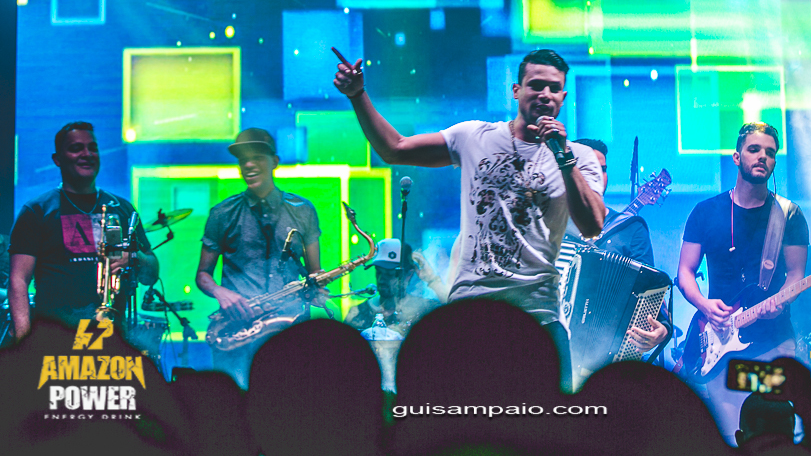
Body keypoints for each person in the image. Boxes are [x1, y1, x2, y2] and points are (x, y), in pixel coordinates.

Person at [333, 48, 605, 387]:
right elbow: (395, 148)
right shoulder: (475, 136)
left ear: (563, 96)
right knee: (461, 413)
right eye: (536, 85)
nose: (545, 94)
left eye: (554, 88)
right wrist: (357, 95)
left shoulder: (579, 157)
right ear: (516, 90)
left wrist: (563, 156)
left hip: (538, 316)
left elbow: (592, 225)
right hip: (472, 314)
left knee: (546, 416)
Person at [676, 122, 809, 445]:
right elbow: (685, 272)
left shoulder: (789, 215)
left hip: (773, 341)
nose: (763, 156)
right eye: (754, 149)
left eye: (770, 153)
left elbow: (796, 274)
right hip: (720, 339)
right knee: (730, 434)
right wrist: (704, 305)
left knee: (773, 432)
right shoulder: (705, 212)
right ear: (737, 157)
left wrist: (781, 302)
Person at [6, 122, 159, 340]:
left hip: (112, 340)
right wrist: (24, 341)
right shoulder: (37, 211)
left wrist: (135, 257)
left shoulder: (122, 209)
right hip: (55, 339)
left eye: (92, 148)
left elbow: (151, 275)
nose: (87, 154)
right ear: (57, 159)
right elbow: (18, 280)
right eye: (76, 148)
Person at [196, 128, 324, 387]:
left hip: (290, 332)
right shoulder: (222, 213)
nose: (249, 165)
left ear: (275, 161)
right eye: (243, 159)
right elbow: (202, 275)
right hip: (239, 330)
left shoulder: (303, 210)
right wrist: (221, 292)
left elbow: (315, 273)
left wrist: (317, 289)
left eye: (257, 157)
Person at [559, 138, 669, 354]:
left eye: (603, 169)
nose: (598, 175)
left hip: (605, 355)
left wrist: (663, 329)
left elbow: (651, 292)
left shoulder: (631, 229)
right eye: (589, 168)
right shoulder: (548, 223)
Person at [345, 239, 439, 337]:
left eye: (389, 274)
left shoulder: (426, 311)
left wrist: (432, 280)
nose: (381, 280)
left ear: (408, 275)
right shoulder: (357, 313)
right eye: (378, 272)